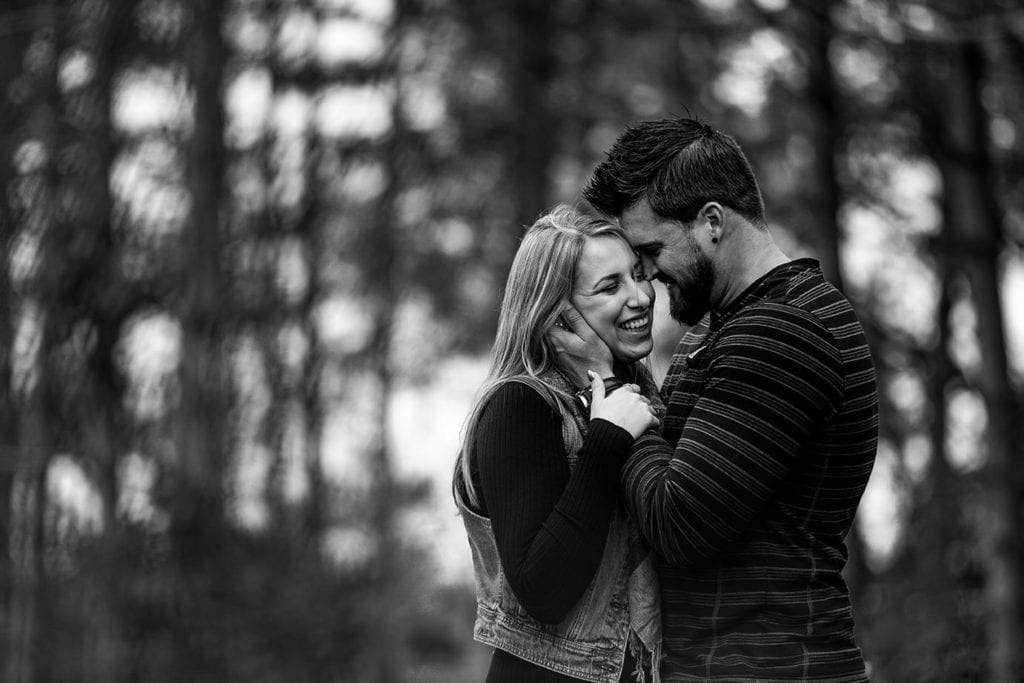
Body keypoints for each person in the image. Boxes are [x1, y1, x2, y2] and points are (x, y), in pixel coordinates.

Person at [550, 117, 879, 682]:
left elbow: (679, 524)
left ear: (711, 222)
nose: (647, 276)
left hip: (772, 667)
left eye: (651, 250)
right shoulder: (721, 328)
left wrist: (610, 391)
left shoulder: (782, 331)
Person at [453, 204, 666, 683]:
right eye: (610, 287)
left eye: (637, 274)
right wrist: (604, 442)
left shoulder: (634, 397)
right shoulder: (520, 406)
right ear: (558, 315)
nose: (641, 297)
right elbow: (542, 589)